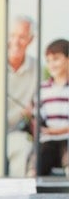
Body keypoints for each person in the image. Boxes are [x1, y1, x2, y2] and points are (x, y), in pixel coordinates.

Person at [6, 15, 37, 177]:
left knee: (21, 145)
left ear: (31, 40)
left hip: (15, 133)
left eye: (22, 37)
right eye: (12, 35)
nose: (16, 42)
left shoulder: (36, 68)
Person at [35, 38, 69, 176]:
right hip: (48, 143)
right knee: (38, 166)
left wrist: (57, 131)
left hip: (67, 141)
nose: (51, 64)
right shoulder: (42, 89)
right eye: (48, 60)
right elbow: (37, 117)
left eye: (55, 59)